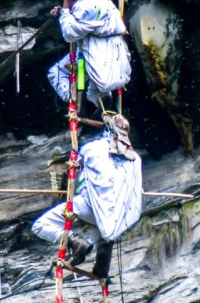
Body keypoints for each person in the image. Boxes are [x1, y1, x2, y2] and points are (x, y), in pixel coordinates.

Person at [32, 114, 142, 278]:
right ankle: (102, 257)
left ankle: (74, 241)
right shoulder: (135, 159)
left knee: (40, 225)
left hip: (87, 205)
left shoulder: (94, 148)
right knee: (103, 232)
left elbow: (77, 164)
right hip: (112, 213)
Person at [46, 0, 132, 109]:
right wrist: (62, 13)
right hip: (111, 47)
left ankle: (71, 97)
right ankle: (102, 100)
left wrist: (66, 10)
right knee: (95, 86)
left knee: (56, 72)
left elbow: (70, 34)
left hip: (95, 50)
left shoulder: (85, 5)